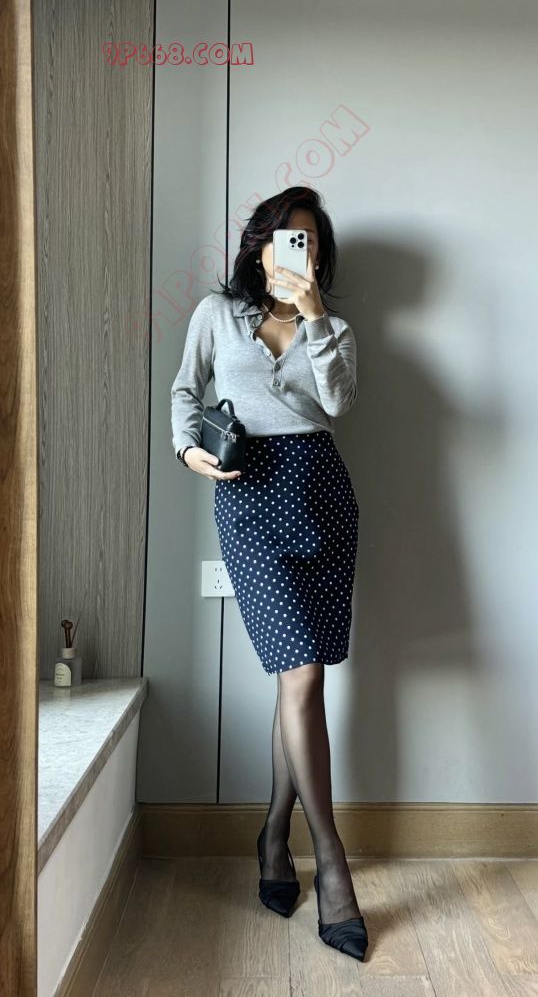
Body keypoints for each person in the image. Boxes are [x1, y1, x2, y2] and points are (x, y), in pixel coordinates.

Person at [170, 186, 368, 962]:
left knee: (298, 682)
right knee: (303, 673)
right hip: (249, 501)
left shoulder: (336, 329)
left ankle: (274, 836)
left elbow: (339, 404)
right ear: (258, 245)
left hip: (323, 498)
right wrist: (189, 449)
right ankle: (332, 863)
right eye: (286, 238)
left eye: (308, 242)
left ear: (320, 256)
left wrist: (313, 315)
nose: (297, 251)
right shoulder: (217, 314)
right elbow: (186, 389)